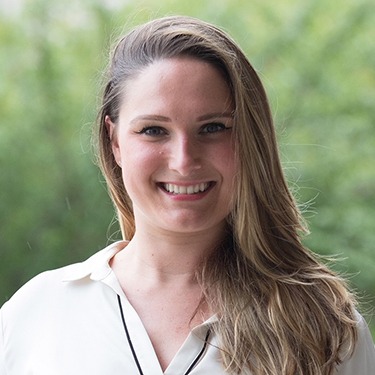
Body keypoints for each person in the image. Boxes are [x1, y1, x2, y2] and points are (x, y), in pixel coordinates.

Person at [0, 15, 374, 375]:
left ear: (249, 139)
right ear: (115, 141)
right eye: (153, 130)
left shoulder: (323, 326)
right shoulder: (37, 313)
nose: (183, 160)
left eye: (212, 127)